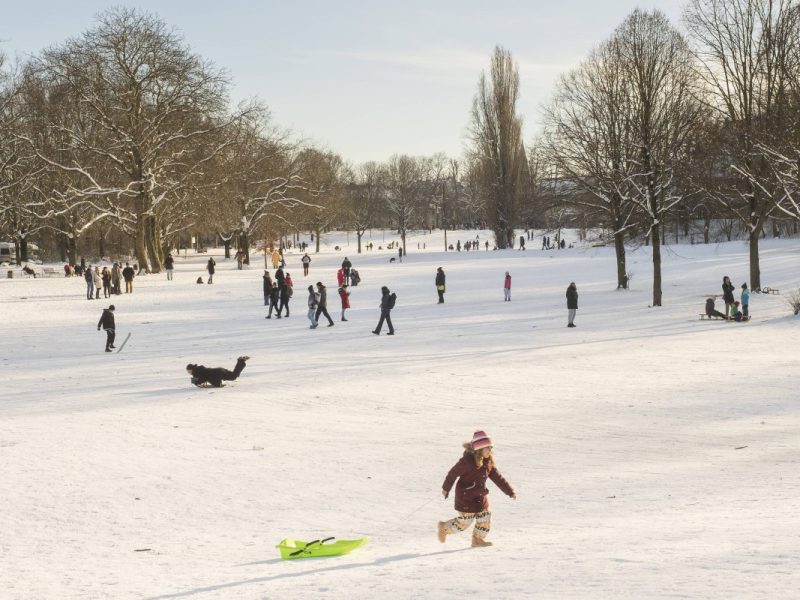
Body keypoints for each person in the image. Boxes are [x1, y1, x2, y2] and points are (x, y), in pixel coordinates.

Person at [437, 431, 516, 548]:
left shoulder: (488, 462)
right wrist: (446, 488)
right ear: (479, 449)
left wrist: (509, 491)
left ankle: (477, 539)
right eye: (487, 448)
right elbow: (452, 474)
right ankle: (444, 528)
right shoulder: (467, 462)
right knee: (465, 522)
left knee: (485, 516)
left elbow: (498, 478)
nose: (490, 450)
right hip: (465, 497)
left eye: (491, 448)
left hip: (479, 496)